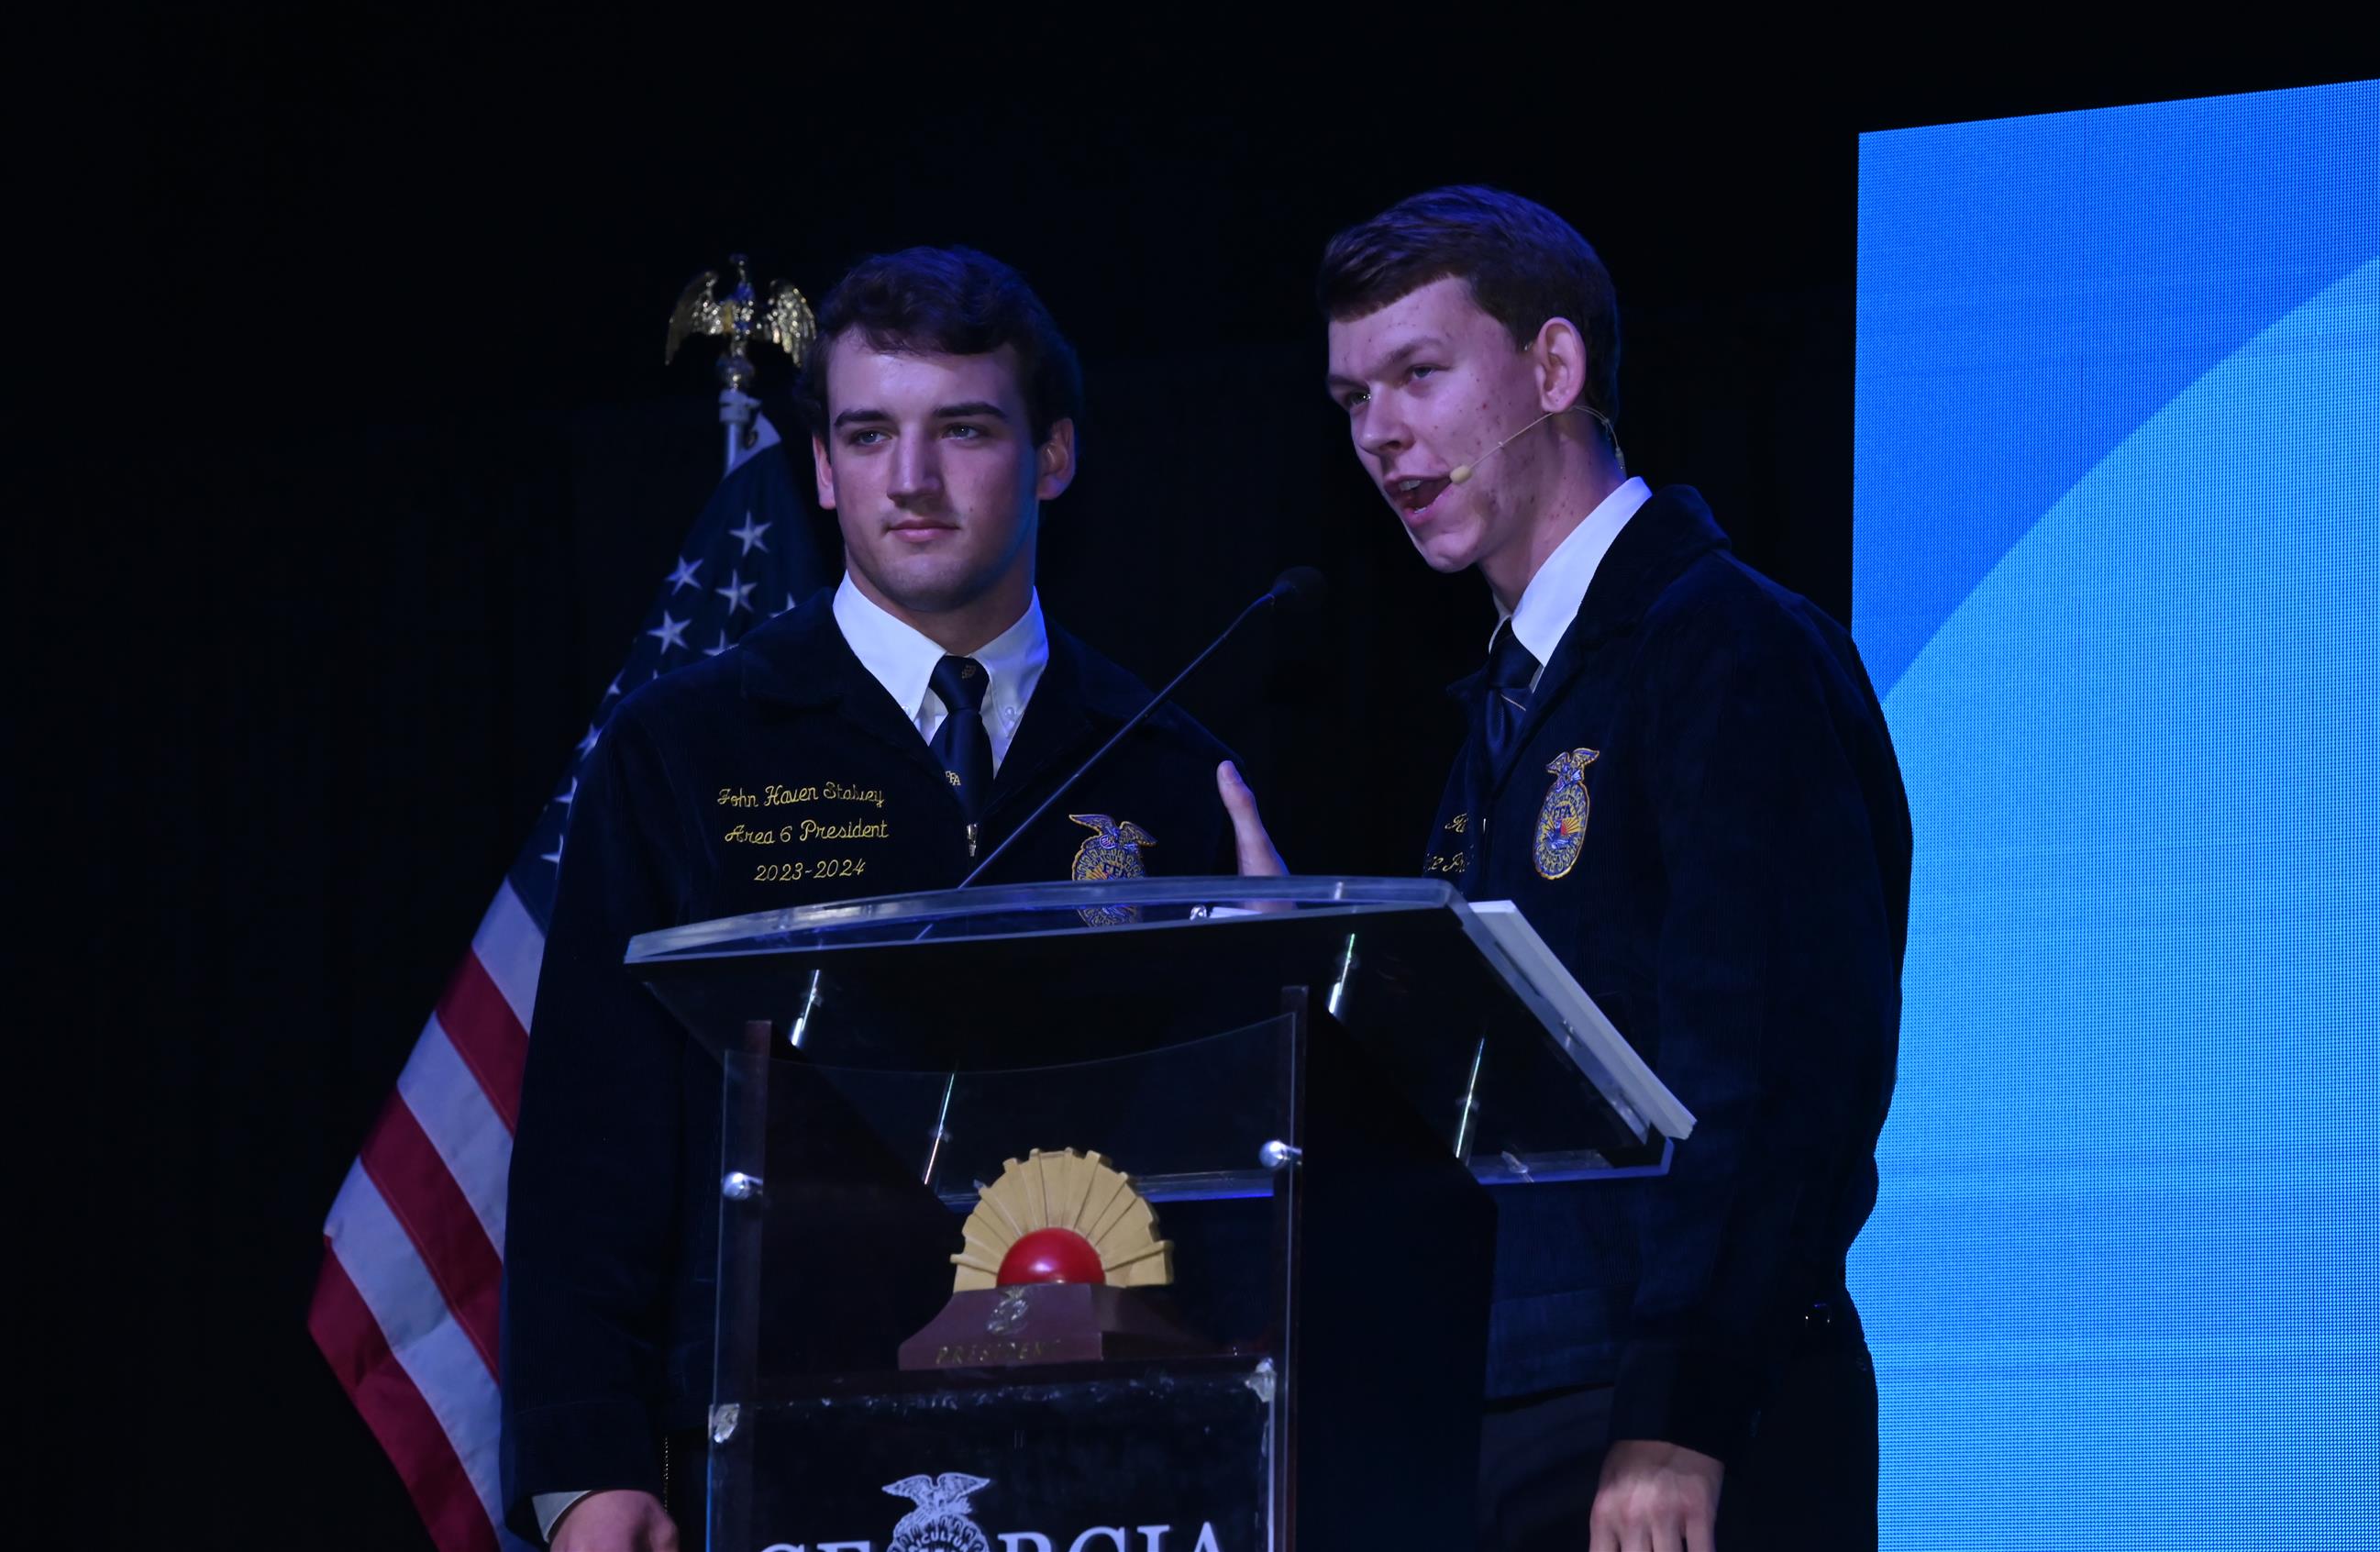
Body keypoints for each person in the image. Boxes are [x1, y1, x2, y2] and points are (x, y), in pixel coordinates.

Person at [502, 245, 1267, 1551]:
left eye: (962, 429)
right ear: (820, 466)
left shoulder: (1168, 762)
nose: (910, 478)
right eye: (867, 434)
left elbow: (1228, 1158)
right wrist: (585, 1465)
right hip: (778, 1447)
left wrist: (1279, 991)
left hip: (1115, 1466)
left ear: (1054, 454)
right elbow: (592, 1142)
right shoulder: (688, 748)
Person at [1308, 187, 1910, 1550]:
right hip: (1511, 1407)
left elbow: (1774, 1068)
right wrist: (1309, 965)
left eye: (1418, 373)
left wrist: (1680, 1413)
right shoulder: (1513, 698)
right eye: (1352, 399)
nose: (1379, 433)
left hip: (1679, 1424)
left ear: (1555, 367)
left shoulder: (1725, 645)